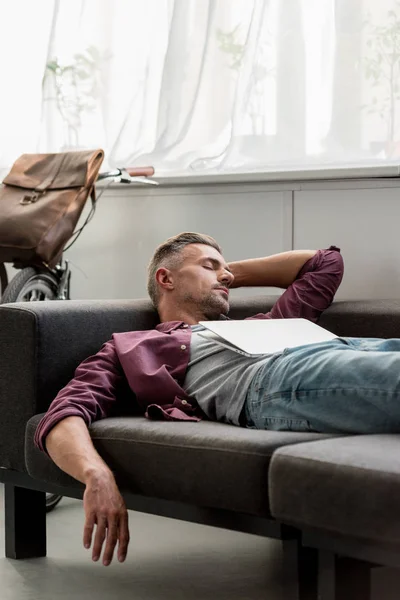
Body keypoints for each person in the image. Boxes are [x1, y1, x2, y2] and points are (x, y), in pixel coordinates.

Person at [35, 230, 398, 567]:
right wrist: (95, 475)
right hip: (273, 381)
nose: (225, 277)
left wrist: (223, 273)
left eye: (225, 272)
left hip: (350, 349)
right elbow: (65, 412)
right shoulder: (134, 346)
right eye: (209, 266)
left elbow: (325, 264)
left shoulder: (265, 323)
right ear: (166, 279)